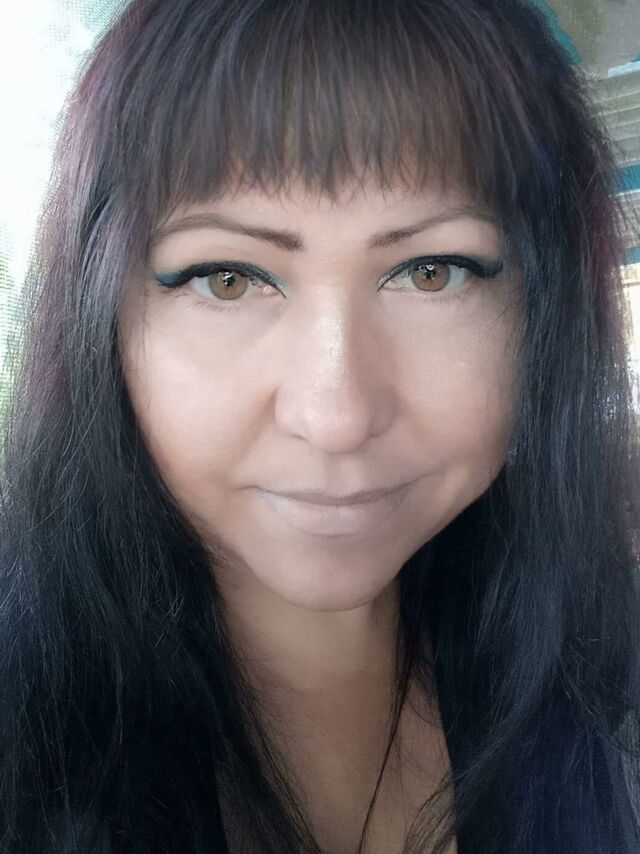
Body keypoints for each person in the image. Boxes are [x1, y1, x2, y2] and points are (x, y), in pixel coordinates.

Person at [1, 0, 639, 851]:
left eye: (432, 271)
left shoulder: (606, 687)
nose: (336, 416)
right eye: (228, 278)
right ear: (99, 322)